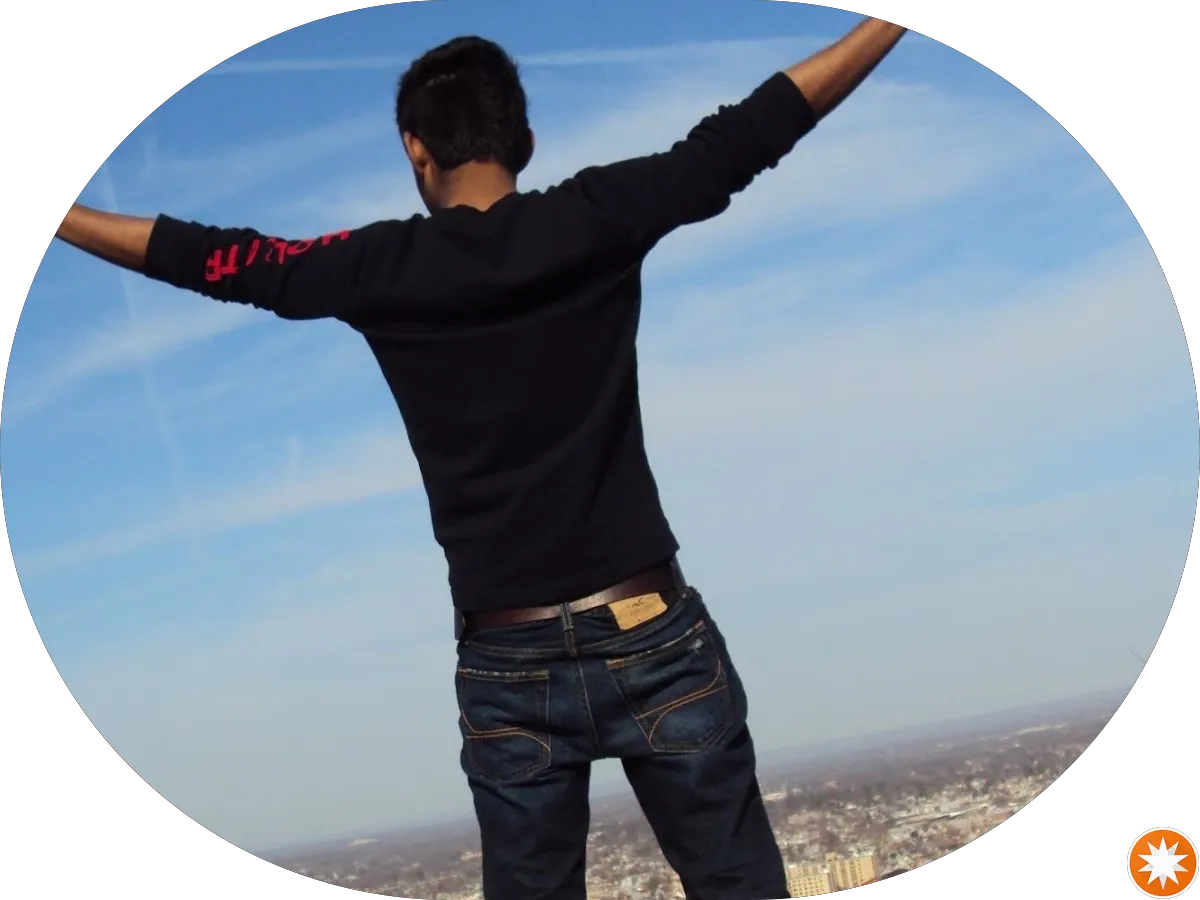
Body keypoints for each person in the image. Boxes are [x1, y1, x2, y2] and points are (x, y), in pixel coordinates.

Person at [56, 16, 906, 900]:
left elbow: (211, 258)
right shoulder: (597, 216)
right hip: (650, 627)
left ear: (415, 150)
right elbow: (759, 127)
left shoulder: (378, 267)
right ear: (523, 140)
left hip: (508, 659)